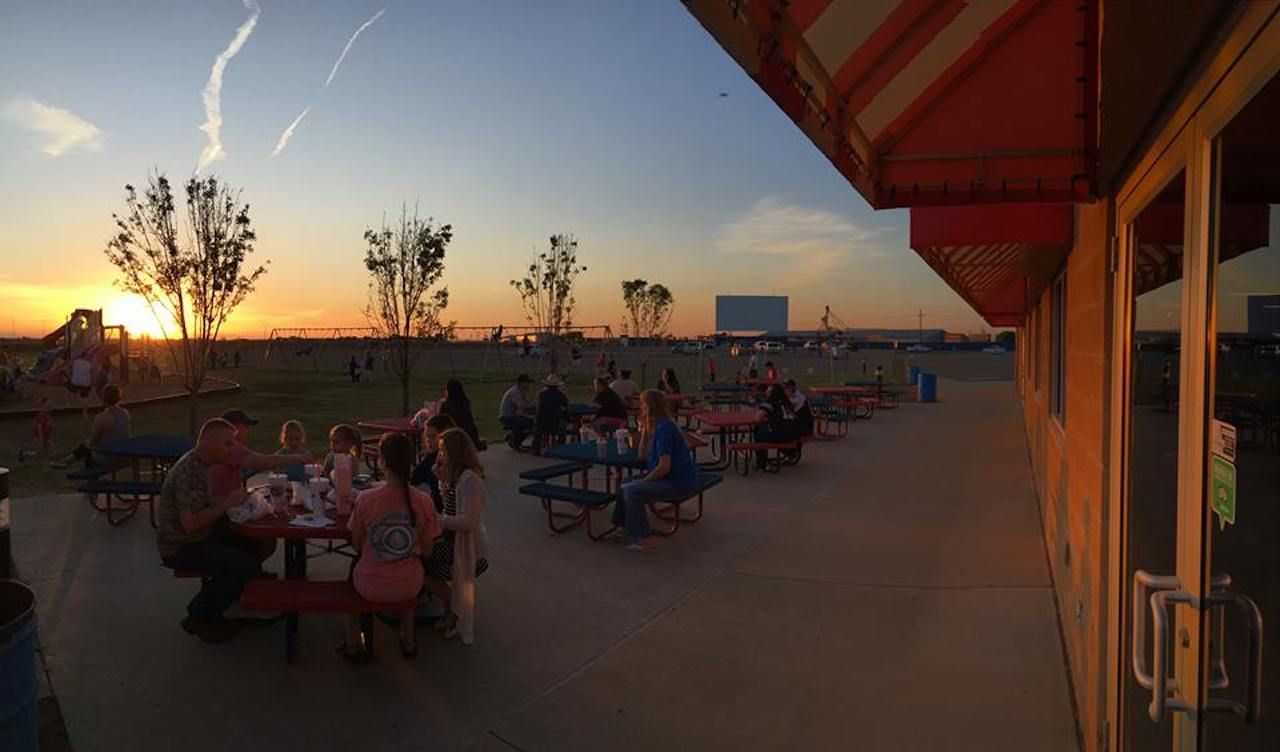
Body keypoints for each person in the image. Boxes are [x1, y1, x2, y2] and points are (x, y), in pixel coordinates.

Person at [157, 418, 266, 644]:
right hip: (181, 545)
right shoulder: (189, 472)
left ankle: (232, 591)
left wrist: (238, 502)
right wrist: (227, 503)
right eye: (228, 444)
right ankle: (199, 615)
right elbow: (191, 524)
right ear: (209, 441)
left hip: (199, 535)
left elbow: (203, 504)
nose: (232, 449)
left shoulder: (200, 464)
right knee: (244, 564)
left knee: (257, 543)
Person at [344, 432, 441, 658]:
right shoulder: (424, 501)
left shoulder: (365, 499)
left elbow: (356, 545)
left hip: (369, 586)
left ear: (382, 461)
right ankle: (408, 637)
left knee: (351, 573)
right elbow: (427, 551)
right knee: (411, 567)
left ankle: (352, 640)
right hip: (410, 585)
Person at [423, 428, 490, 645]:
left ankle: (454, 607)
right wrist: (442, 481)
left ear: (456, 452)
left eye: (443, 450)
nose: (440, 455)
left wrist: (437, 519)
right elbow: (451, 508)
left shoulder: (470, 481)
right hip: (453, 543)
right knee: (421, 553)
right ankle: (451, 607)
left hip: (469, 551)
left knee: (419, 560)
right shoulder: (457, 477)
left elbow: (468, 522)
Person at [611, 390, 698, 552]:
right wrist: (644, 431)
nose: (640, 409)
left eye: (642, 406)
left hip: (677, 482)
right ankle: (624, 527)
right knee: (625, 483)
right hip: (666, 478)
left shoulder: (665, 429)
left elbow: (665, 467)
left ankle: (643, 538)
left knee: (632, 490)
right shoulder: (657, 427)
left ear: (649, 407)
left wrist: (644, 481)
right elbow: (642, 455)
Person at [211, 409, 309, 511]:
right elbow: (265, 461)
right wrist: (300, 457)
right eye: (246, 427)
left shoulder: (218, 446)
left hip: (223, 501)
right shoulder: (232, 448)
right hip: (221, 506)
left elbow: (255, 467)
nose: (248, 431)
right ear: (235, 428)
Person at [411, 414, 456, 511]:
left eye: (432, 437)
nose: (428, 441)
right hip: (437, 513)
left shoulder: (455, 461)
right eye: (426, 437)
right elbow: (412, 479)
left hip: (450, 515)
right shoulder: (430, 459)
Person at [754, 384, 796, 468]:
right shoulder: (786, 402)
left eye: (769, 391)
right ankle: (789, 452)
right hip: (792, 434)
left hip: (778, 435)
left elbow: (757, 419)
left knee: (758, 430)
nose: (766, 393)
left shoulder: (769, 402)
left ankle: (761, 463)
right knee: (776, 428)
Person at [439, 379, 484, 449]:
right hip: (469, 434)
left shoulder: (446, 405)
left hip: (453, 436)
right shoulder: (465, 403)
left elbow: (440, 420)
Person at [498, 374, 536, 450]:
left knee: (530, 421)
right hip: (507, 417)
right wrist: (534, 404)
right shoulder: (515, 392)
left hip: (512, 416)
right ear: (522, 383)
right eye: (527, 383)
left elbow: (526, 407)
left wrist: (533, 407)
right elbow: (521, 406)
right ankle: (514, 442)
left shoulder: (520, 391)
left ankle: (513, 438)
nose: (529, 385)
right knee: (530, 423)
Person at [534, 374, 569, 451]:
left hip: (541, 423)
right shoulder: (561, 396)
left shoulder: (541, 394)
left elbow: (537, 406)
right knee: (563, 425)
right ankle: (561, 447)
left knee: (538, 425)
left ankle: (536, 447)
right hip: (555, 423)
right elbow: (565, 408)